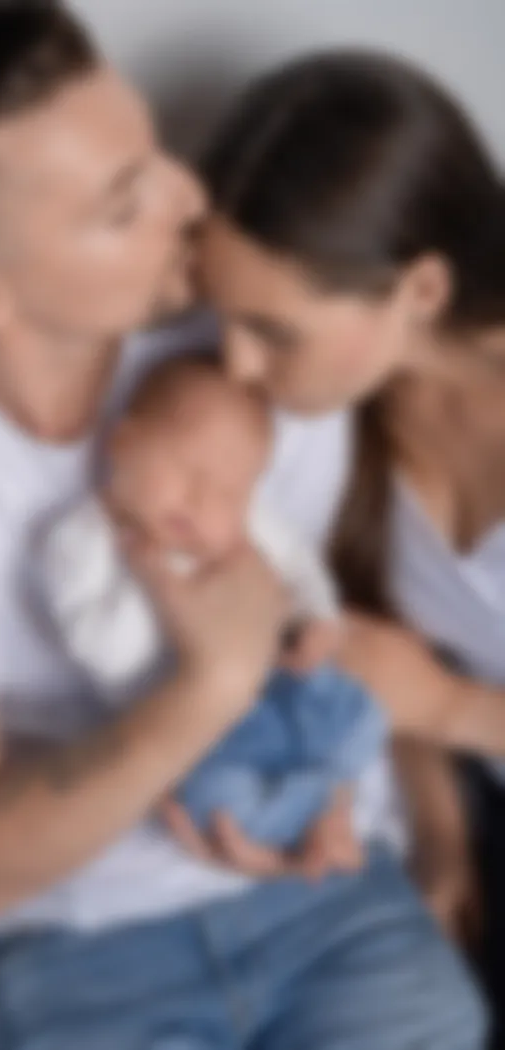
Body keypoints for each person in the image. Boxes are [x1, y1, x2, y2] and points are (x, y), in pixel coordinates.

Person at [0, 4, 484, 1049]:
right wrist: (206, 686)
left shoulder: (251, 352)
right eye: (125, 204)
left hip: (327, 904)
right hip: (83, 953)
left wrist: (358, 818)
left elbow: (329, 646)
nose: (190, 196)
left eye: (155, 154)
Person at [195, 47, 505, 1047]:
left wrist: (450, 708)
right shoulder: (340, 423)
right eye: (225, 319)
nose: (238, 365)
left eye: (272, 331)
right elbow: (391, 658)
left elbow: (431, 689)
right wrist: (444, 841)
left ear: (417, 288)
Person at [41, 352, 384, 859]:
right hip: (192, 733)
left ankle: (326, 790)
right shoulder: (82, 541)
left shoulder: (245, 528)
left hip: (276, 689)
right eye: (187, 469)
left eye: (229, 490)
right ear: (123, 442)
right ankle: (310, 805)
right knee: (213, 803)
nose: (203, 501)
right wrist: (156, 584)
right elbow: (106, 652)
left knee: (359, 714)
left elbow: (297, 562)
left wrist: (317, 619)